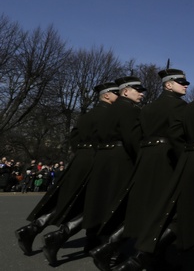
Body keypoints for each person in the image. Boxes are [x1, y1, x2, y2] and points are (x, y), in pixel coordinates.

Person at [121, 59, 194, 271]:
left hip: (188, 162)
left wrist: (187, 157)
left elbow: (176, 134)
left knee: (183, 216)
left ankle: (141, 259)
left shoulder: (192, 106)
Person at [89, 68, 189, 271]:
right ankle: (134, 255)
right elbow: (177, 136)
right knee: (167, 210)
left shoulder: (147, 109)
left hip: (146, 158)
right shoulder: (179, 107)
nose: (186, 85)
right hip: (165, 159)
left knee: (144, 208)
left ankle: (112, 248)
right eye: (181, 81)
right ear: (168, 84)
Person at [17, 81, 118, 261]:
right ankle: (61, 237)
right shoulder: (110, 113)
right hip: (96, 158)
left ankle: (33, 229)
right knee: (94, 202)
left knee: (72, 200)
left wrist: (82, 152)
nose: (119, 96)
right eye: (116, 93)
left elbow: (74, 137)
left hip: (81, 158)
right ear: (107, 95)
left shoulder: (88, 114)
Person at [83, 76, 145, 252]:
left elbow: (94, 137)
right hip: (121, 158)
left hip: (103, 157)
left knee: (100, 200)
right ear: (125, 91)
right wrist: (140, 158)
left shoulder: (105, 110)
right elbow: (132, 138)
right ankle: (109, 250)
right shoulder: (130, 109)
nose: (141, 94)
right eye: (137, 90)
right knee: (119, 203)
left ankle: (92, 241)